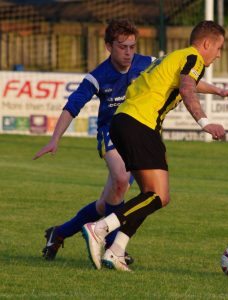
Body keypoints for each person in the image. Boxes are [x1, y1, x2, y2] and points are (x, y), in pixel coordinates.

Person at [82, 20, 228, 271]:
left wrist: (218, 91)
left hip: (125, 122)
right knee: (159, 196)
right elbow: (187, 87)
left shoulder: (177, 57)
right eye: (219, 48)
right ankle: (99, 229)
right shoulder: (194, 58)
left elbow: (187, 82)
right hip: (140, 124)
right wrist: (204, 123)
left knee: (150, 194)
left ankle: (116, 251)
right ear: (206, 44)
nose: (219, 54)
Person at [33, 19, 154, 265]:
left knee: (105, 203)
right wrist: (55, 139)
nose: (129, 52)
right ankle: (112, 246)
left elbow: (181, 76)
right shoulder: (98, 76)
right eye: (122, 47)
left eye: (132, 46)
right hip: (110, 134)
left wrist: (216, 91)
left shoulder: (146, 64)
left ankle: (60, 232)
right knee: (121, 179)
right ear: (108, 46)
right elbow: (72, 107)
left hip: (136, 136)